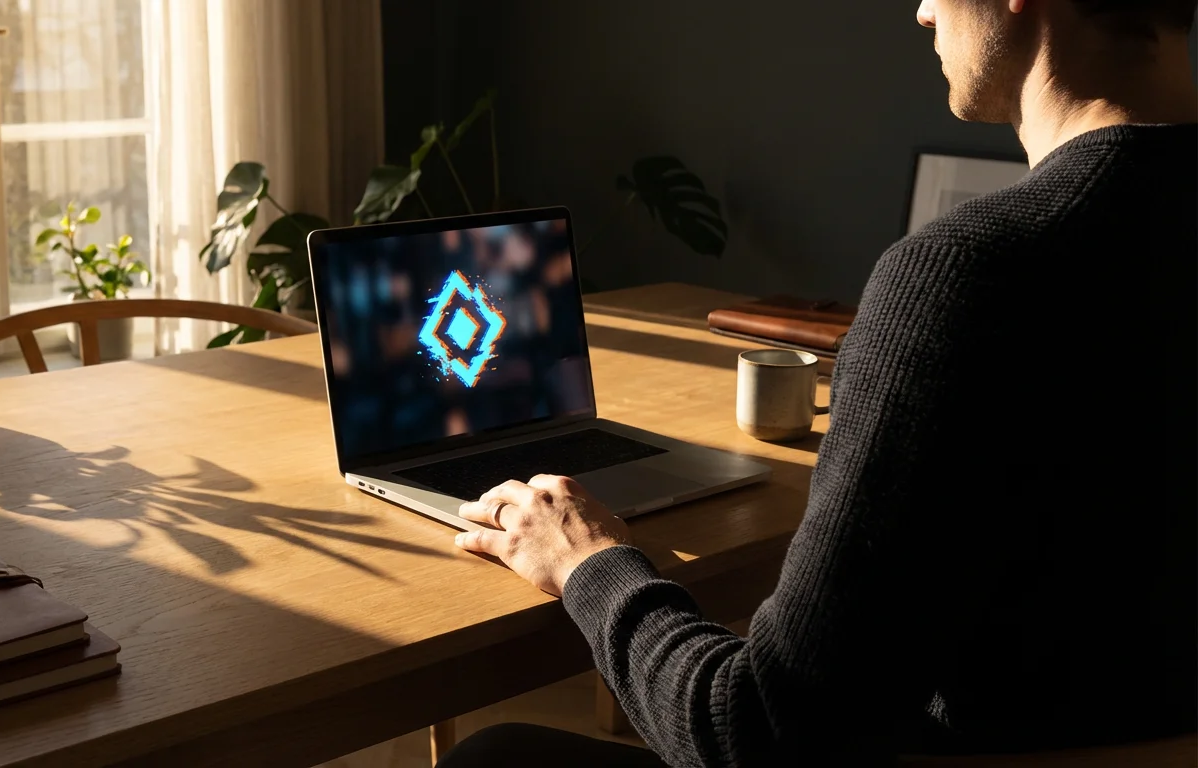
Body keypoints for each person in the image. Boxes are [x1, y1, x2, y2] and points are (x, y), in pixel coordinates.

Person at [438, 0, 1198, 765]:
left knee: (492, 759)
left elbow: (760, 734)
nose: (924, 12)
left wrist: (588, 562)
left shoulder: (974, 274)